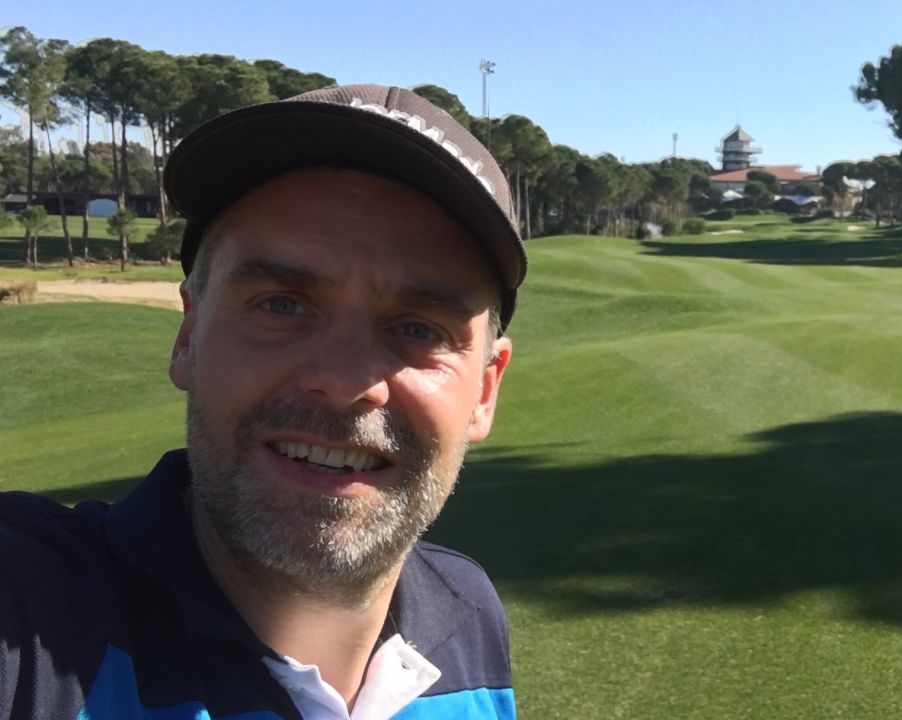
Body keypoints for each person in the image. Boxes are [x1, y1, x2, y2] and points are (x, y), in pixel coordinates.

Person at [0, 85, 524, 720]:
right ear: (188, 336)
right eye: (282, 305)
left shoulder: (468, 611)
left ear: (485, 391)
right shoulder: (30, 615)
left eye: (419, 329)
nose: (344, 380)